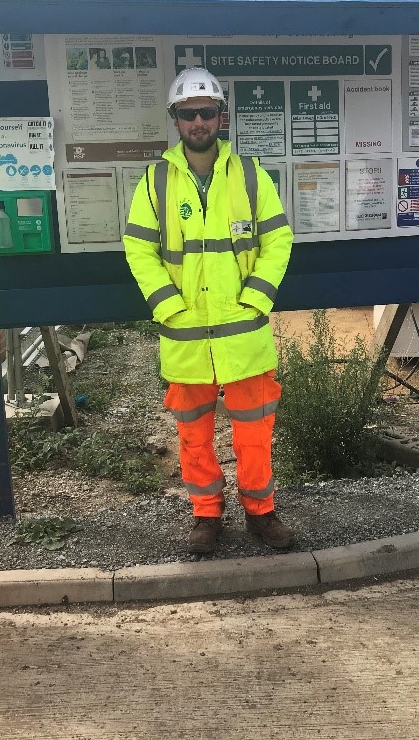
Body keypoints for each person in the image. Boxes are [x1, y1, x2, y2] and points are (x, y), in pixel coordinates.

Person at [123, 67, 295, 555]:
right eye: (187, 114)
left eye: (207, 112)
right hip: (186, 337)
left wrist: (256, 298)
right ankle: (206, 515)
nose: (198, 121)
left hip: (244, 335)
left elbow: (278, 240)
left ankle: (261, 512)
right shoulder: (156, 180)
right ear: (175, 120)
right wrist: (169, 307)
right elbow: (138, 250)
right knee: (194, 437)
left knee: (255, 434)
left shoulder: (249, 173)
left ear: (222, 117)